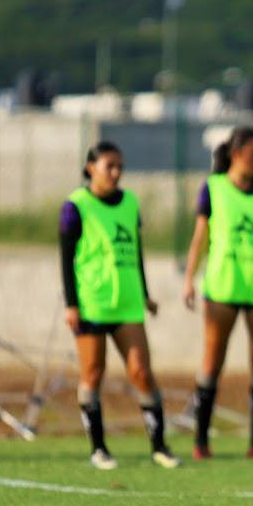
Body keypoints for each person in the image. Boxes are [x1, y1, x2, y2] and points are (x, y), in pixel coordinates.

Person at [59, 141, 180, 470]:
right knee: (93, 373)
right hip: (92, 303)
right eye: (109, 166)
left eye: (119, 167)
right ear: (90, 168)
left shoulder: (130, 202)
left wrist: (145, 292)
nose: (116, 172)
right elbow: (66, 259)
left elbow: (136, 251)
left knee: (142, 372)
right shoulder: (76, 206)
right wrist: (72, 304)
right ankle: (98, 448)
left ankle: (159, 446)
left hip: (127, 303)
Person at [182, 126, 253, 460]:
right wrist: (189, 279)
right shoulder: (213, 188)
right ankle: (201, 441)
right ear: (237, 153)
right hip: (222, 287)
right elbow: (200, 238)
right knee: (212, 362)